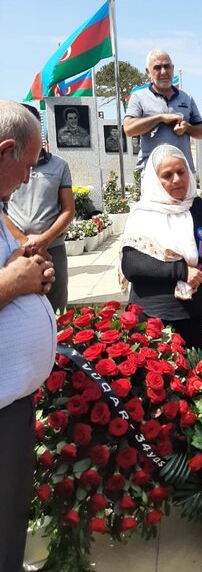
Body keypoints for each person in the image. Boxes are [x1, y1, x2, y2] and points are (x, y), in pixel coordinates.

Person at [0, 100, 57, 572]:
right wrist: (13, 283)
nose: (27, 177)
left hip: (11, 402)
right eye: (27, 163)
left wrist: (29, 274)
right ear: (5, 150)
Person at [120, 144, 202, 350]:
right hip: (154, 319)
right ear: (155, 181)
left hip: (197, 316)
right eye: (167, 175)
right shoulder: (143, 214)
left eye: (181, 172)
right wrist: (181, 270)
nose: (177, 179)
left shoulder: (200, 208)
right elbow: (132, 265)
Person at [4, 105, 74, 313]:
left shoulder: (59, 166)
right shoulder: (7, 165)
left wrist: (44, 240)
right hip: (14, 246)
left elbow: (68, 210)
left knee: (56, 305)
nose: (25, 177)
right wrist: (25, 242)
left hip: (52, 247)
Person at [123, 50, 202, 172]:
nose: (163, 72)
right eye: (157, 68)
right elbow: (129, 129)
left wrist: (187, 127)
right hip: (152, 171)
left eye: (167, 66)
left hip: (182, 171)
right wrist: (160, 118)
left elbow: (201, 132)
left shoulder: (187, 98)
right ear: (148, 72)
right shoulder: (139, 97)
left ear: (172, 68)